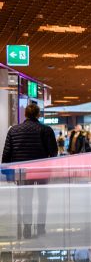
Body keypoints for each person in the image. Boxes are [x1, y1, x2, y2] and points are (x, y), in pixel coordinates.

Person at [2, 102, 58, 239]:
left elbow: (6, 155)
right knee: (42, 199)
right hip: (42, 171)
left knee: (26, 199)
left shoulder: (13, 131)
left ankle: (27, 227)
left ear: (25, 114)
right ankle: (40, 228)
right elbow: (54, 152)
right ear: (38, 115)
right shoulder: (46, 130)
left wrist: (7, 172)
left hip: (22, 172)